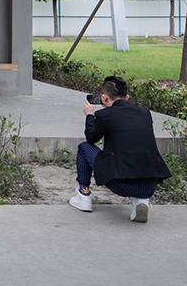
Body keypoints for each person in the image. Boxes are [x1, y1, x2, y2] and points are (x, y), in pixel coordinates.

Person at [68, 75, 172, 223]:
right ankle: (141, 201)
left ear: (104, 98)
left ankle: (83, 196)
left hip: (120, 184)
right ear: (127, 97)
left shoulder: (104, 114)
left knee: (84, 148)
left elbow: (91, 139)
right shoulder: (144, 112)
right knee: (134, 157)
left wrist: (90, 116)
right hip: (150, 186)